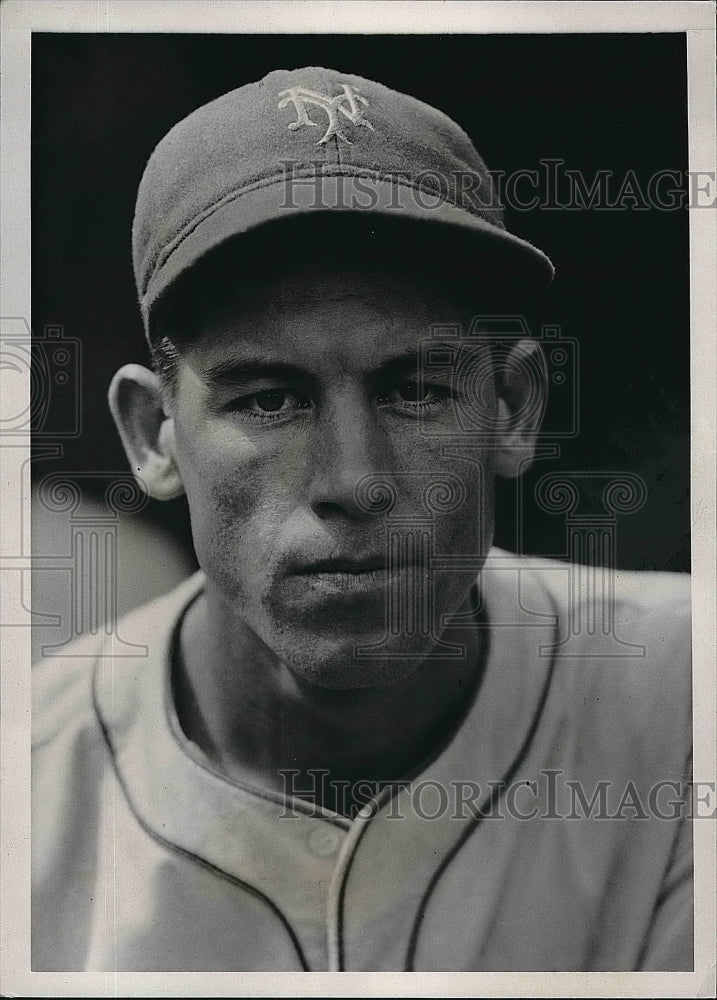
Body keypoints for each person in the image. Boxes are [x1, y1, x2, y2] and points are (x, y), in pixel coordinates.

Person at [32, 66, 692, 972]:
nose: (353, 479)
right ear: (154, 435)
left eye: (415, 390)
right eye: (269, 399)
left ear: (512, 406)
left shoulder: (685, 699)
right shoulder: (25, 786)